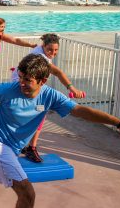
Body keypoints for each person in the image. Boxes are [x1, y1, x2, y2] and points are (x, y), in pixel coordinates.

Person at [0, 54, 120, 208]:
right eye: (20, 77)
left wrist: (119, 123)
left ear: (42, 81)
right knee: (27, 194)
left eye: (27, 80)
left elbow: (81, 111)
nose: (21, 83)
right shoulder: (8, 89)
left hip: (12, 148)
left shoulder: (50, 96)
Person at [11, 33, 85, 162]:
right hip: (23, 87)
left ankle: (27, 145)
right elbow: (57, 72)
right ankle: (29, 147)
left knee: (39, 112)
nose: (53, 52)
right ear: (43, 46)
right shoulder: (41, 57)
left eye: (56, 50)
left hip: (27, 86)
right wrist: (72, 88)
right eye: (50, 49)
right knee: (39, 112)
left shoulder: (40, 52)